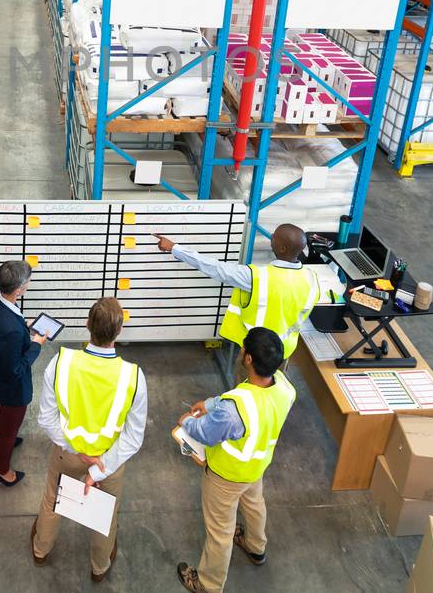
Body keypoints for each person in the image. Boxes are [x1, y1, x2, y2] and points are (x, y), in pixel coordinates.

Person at [31, 296, 146, 583]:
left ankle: (40, 549)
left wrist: (75, 449)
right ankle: (99, 567)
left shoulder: (61, 363)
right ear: (119, 332)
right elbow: (133, 438)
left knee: (52, 500)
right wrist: (97, 468)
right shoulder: (134, 377)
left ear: (87, 325)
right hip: (109, 461)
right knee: (105, 516)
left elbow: (45, 418)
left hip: (67, 455)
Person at [174, 327, 297, 593]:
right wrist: (211, 403)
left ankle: (207, 584)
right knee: (254, 505)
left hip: (225, 476)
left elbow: (205, 432)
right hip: (256, 467)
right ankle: (255, 547)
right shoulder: (285, 388)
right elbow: (242, 397)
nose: (241, 351)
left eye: (244, 348)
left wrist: (186, 422)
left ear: (248, 359)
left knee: (220, 531)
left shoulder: (234, 411)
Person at [155, 223, 316, 357]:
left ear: (282, 249)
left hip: (256, 353)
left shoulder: (257, 277)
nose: (271, 237)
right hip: (285, 351)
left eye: (274, 237)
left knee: (246, 391)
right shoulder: (312, 278)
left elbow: (215, 268)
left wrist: (174, 248)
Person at [0, 260, 47, 487]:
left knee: (4, 415)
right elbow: (15, 370)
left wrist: (23, 324)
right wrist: (36, 344)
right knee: (11, 430)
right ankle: (2, 470)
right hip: (9, 387)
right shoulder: (11, 332)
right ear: (19, 289)